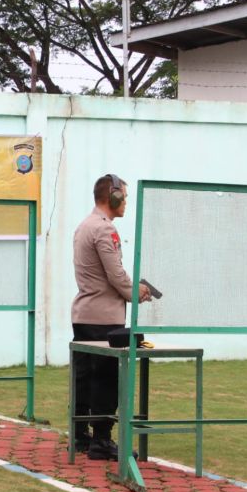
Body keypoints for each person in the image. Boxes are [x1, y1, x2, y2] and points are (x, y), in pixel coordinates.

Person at [71, 174, 151, 460]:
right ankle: (101, 441)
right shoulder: (105, 229)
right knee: (105, 379)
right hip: (104, 318)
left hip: (85, 315)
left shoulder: (84, 225)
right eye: (124, 197)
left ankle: (80, 435)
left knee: (84, 377)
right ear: (113, 196)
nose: (125, 202)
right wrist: (136, 292)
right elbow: (115, 274)